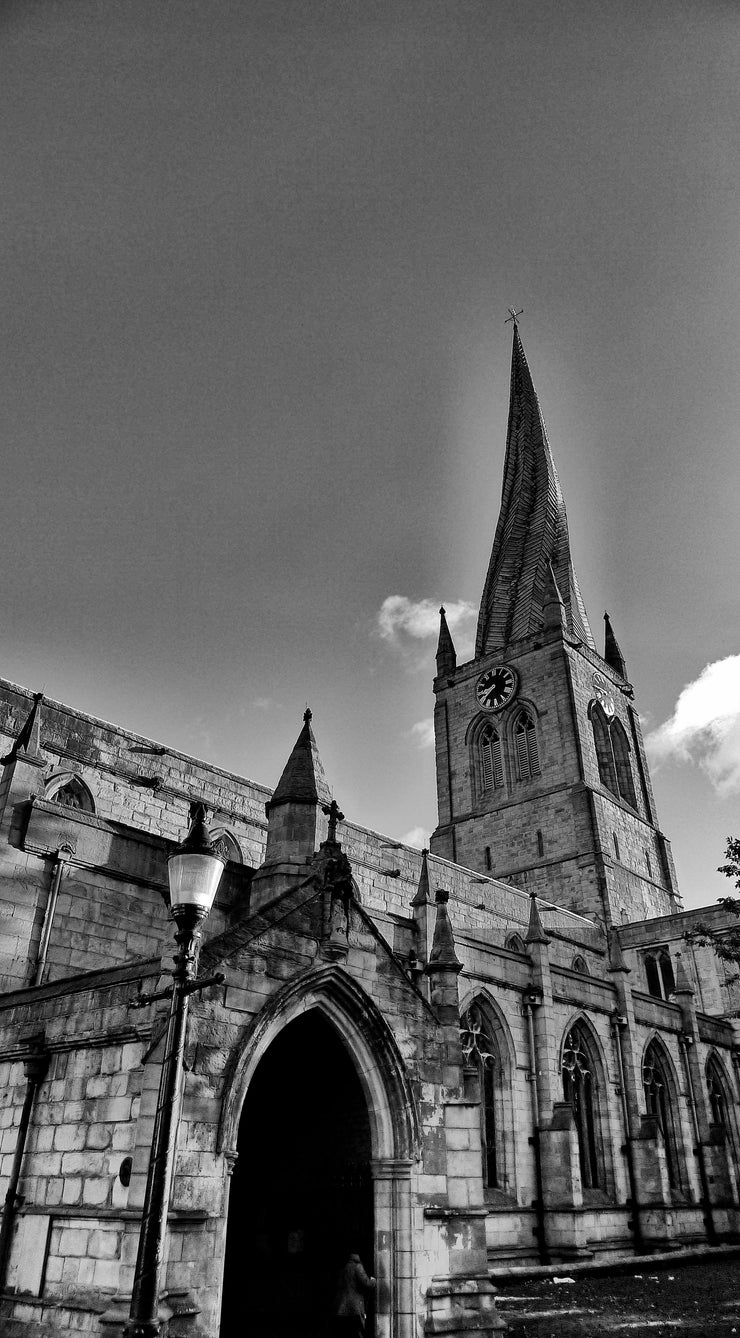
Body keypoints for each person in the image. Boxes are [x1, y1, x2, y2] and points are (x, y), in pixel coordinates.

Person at [332, 1249, 376, 1337]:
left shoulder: (344, 1268)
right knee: (358, 1331)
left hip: (341, 1307)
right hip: (354, 1307)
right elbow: (366, 1283)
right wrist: (373, 1281)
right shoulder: (357, 1266)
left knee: (345, 1331)